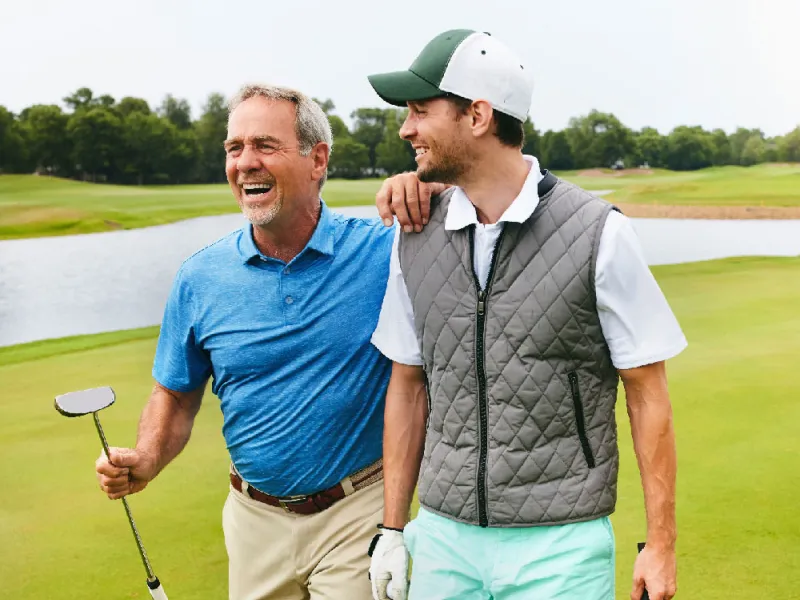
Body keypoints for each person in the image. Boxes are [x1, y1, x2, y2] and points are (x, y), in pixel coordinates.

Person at [365, 29, 685, 600]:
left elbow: (647, 392)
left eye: (419, 111)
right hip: (442, 537)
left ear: (478, 115)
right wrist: (393, 530)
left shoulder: (600, 233)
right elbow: (408, 384)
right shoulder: (411, 235)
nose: (406, 128)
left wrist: (660, 545)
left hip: (561, 545)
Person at [94, 83, 395, 600]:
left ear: (317, 159)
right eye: (234, 149)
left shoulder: (385, 253)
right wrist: (146, 456)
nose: (245, 163)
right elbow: (176, 393)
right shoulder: (200, 276)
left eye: (264, 146)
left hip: (357, 510)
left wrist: (425, 186)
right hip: (253, 521)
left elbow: (475, 221)